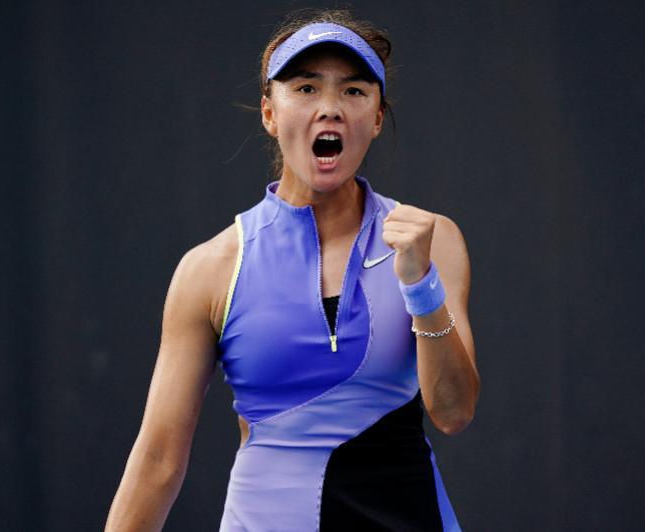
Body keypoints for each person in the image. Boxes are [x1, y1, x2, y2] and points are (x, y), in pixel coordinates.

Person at [106, 9, 480, 532]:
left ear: (376, 118)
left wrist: (421, 286)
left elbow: (454, 411)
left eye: (354, 91)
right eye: (305, 88)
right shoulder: (210, 269)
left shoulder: (432, 240)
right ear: (269, 113)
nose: (330, 108)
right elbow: (159, 460)